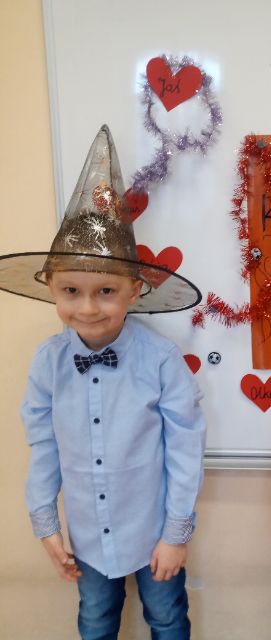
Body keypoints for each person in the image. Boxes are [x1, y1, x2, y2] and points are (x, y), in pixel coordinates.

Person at [0, 125, 206, 640]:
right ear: (50, 287)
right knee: (94, 620)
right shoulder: (47, 363)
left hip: (153, 531)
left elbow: (185, 447)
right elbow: (43, 443)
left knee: (167, 618)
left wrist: (176, 533)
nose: (88, 307)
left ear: (134, 291)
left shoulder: (160, 360)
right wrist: (45, 522)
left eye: (106, 291)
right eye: (71, 290)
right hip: (88, 538)